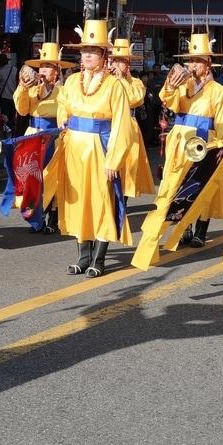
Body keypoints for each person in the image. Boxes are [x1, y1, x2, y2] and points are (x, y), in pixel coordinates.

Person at [45, 19, 132, 276]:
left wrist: (113, 161)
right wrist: (63, 118)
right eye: (84, 51)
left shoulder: (115, 85)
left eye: (93, 51)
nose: (87, 56)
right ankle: (82, 255)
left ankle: (99, 258)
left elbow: (121, 125)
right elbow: (63, 104)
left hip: (99, 149)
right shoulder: (72, 81)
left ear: (104, 55)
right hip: (74, 148)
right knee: (76, 201)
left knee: (101, 201)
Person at [140, 31, 223, 255]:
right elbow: (168, 102)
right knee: (175, 186)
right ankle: (178, 230)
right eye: (191, 60)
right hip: (181, 141)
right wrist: (171, 85)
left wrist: (220, 147)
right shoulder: (183, 84)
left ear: (208, 63)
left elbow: (221, 123)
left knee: (203, 185)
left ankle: (200, 230)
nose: (193, 65)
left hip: (203, 141)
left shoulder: (218, 90)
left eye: (198, 61)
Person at [14, 41, 72, 233]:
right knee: (31, 177)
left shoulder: (63, 91)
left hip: (53, 137)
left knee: (51, 178)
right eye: (42, 66)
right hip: (32, 134)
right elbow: (22, 111)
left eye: (49, 67)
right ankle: (35, 216)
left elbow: (66, 114)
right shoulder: (31, 89)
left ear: (57, 71)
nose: (44, 70)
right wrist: (22, 88)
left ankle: (52, 216)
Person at [107, 39, 155, 198]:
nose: (117, 65)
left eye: (122, 61)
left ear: (128, 64)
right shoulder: (105, 80)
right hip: (109, 125)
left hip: (129, 125)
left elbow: (135, 99)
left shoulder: (136, 82)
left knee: (128, 165)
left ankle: (123, 201)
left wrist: (121, 80)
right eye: (115, 60)